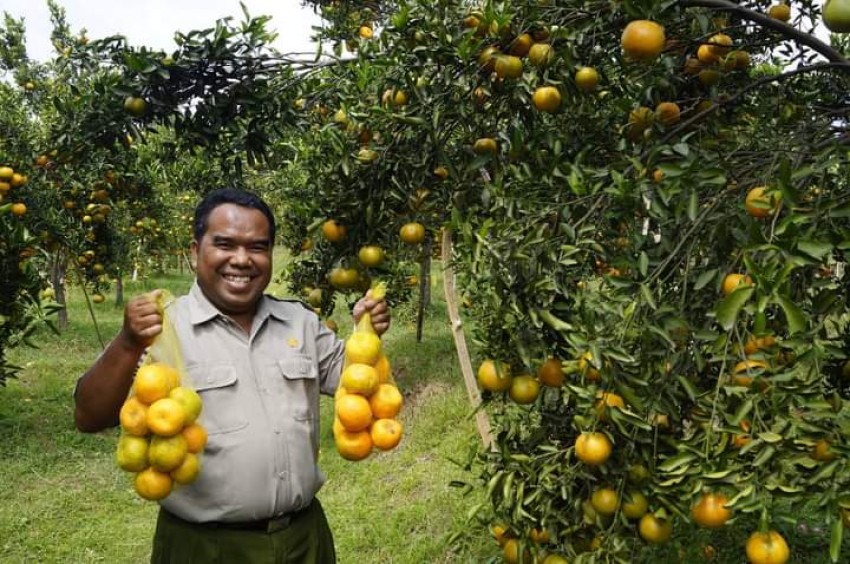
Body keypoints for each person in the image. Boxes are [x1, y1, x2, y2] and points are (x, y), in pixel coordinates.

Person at [74, 188, 390, 563]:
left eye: (257, 247)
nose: (241, 260)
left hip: (304, 539)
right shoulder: (163, 329)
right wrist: (127, 342)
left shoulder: (301, 322)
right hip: (206, 547)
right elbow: (90, 416)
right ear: (195, 251)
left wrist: (364, 331)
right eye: (224, 244)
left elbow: (356, 384)